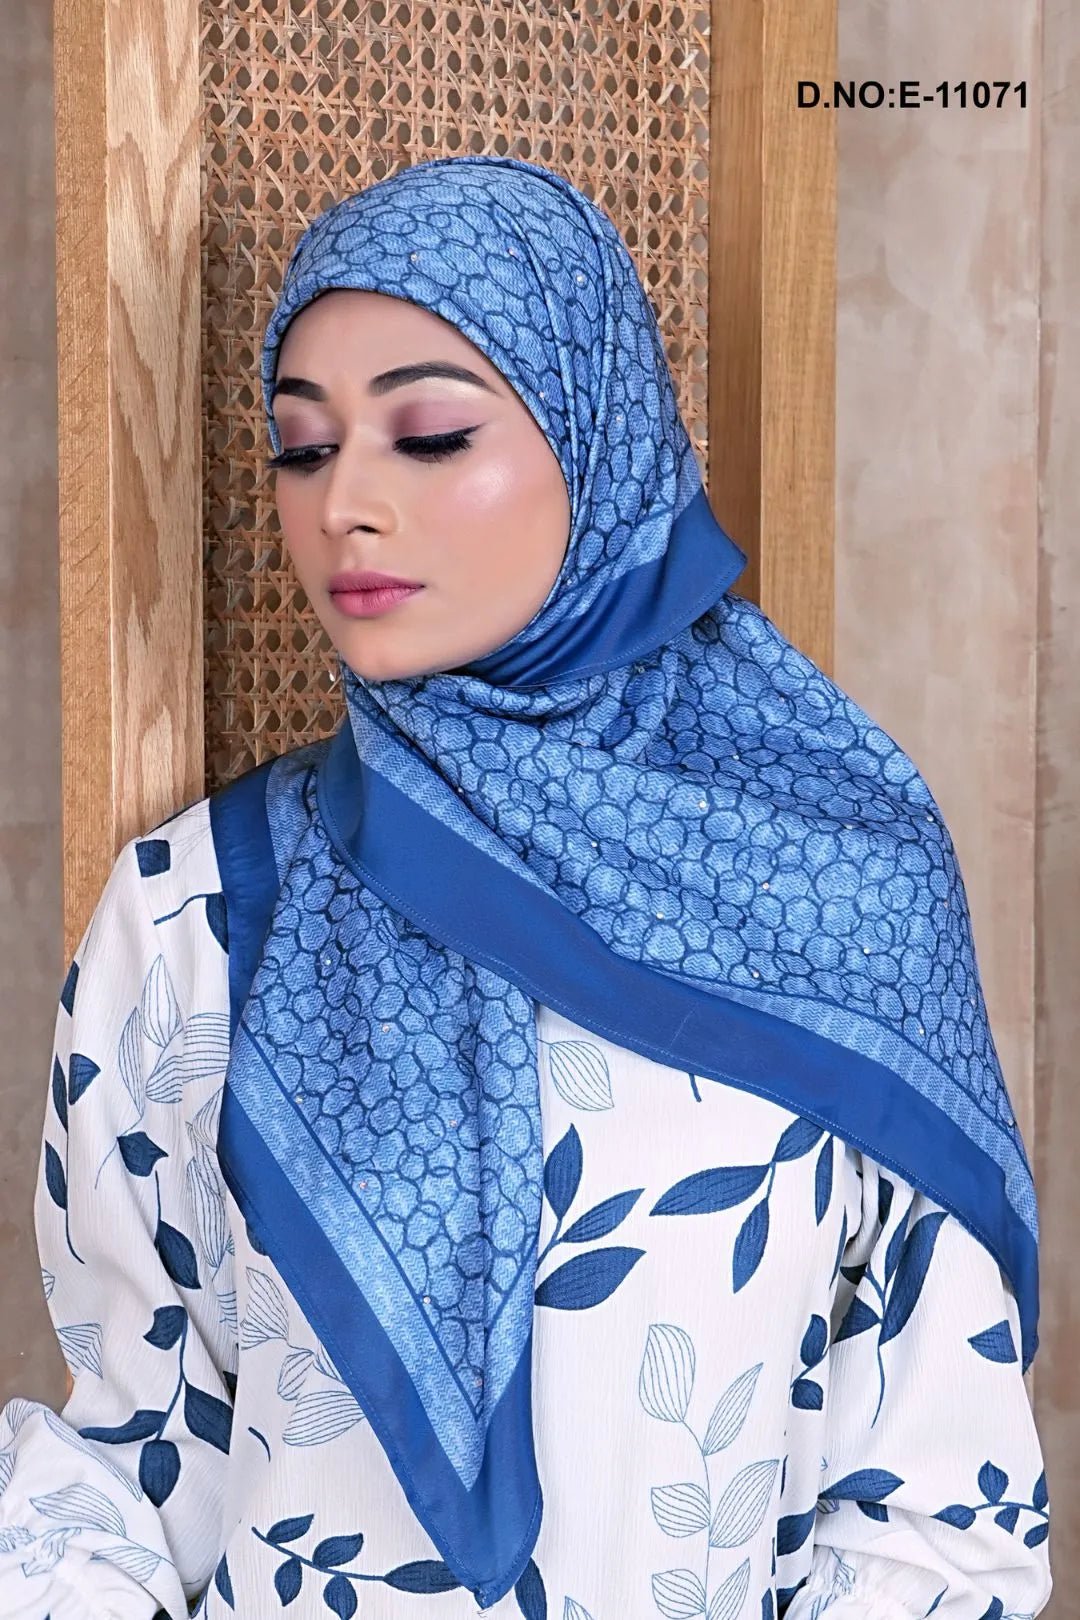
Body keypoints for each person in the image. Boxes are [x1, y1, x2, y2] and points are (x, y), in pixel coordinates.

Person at [0, 155, 1050, 1620]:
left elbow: (939, 1515)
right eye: (302, 448)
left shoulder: (840, 883)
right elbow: (129, 1461)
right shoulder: (198, 909)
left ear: (595, 435)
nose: (345, 503)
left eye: (429, 434)